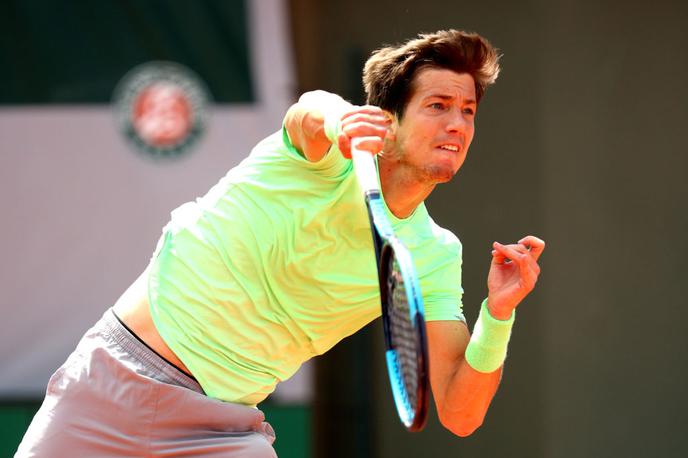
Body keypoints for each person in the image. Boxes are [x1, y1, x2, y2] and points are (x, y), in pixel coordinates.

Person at [16, 29, 545, 457]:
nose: (457, 123)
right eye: (437, 105)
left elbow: (459, 413)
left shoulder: (434, 253)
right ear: (388, 119)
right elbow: (311, 111)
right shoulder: (315, 153)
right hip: (114, 381)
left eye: (468, 110)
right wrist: (343, 124)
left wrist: (498, 315)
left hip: (219, 431)